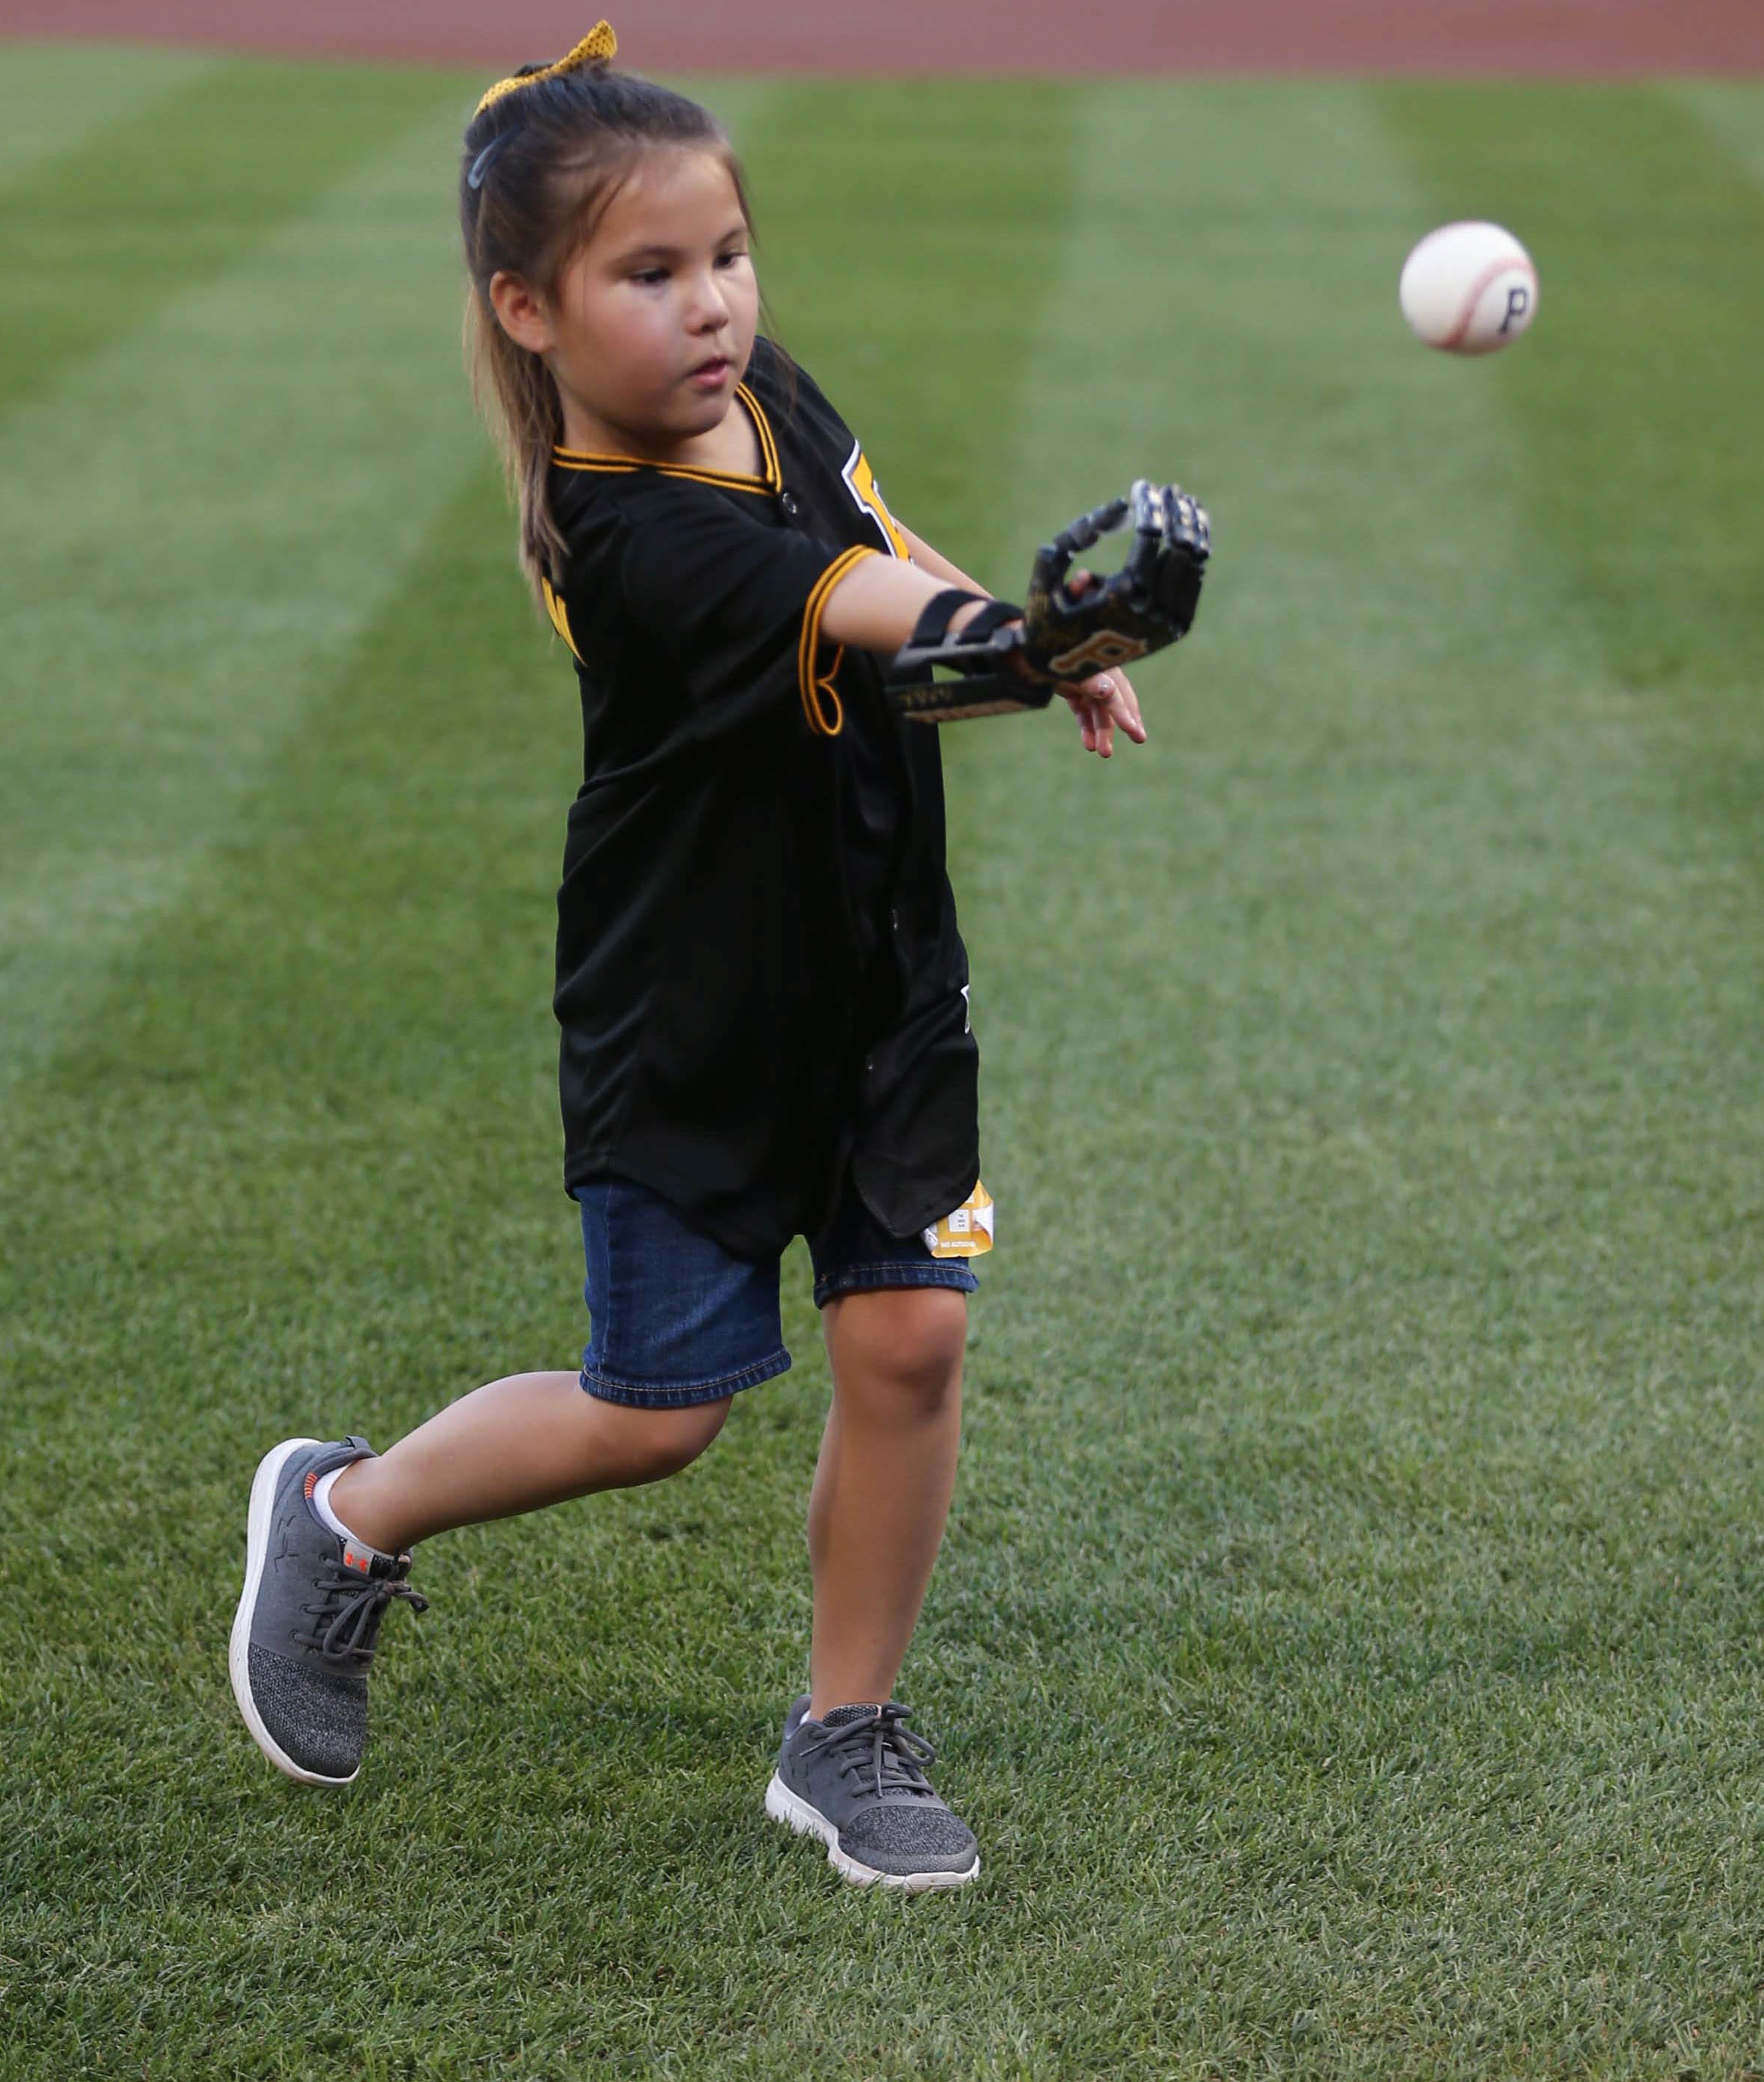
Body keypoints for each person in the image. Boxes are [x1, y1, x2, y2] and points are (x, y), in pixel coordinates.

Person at [227, 21, 1144, 1894]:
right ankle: (342, 1513)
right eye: (652, 275)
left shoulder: (746, 392)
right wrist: (1033, 642)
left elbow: (876, 527)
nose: (713, 304)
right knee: (660, 1413)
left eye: (726, 255)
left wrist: (1033, 632)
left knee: (908, 1340)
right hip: (694, 1014)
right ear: (531, 308)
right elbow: (886, 623)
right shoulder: (631, 540)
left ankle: (844, 1732)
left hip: (884, 979)